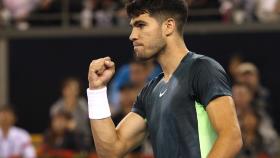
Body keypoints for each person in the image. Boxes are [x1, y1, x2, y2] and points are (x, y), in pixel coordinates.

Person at [86, 0, 242, 158]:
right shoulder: (150, 92)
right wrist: (96, 90)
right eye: (132, 27)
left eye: (141, 25)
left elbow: (231, 137)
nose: (132, 36)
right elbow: (110, 151)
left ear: (168, 26)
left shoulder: (203, 69)